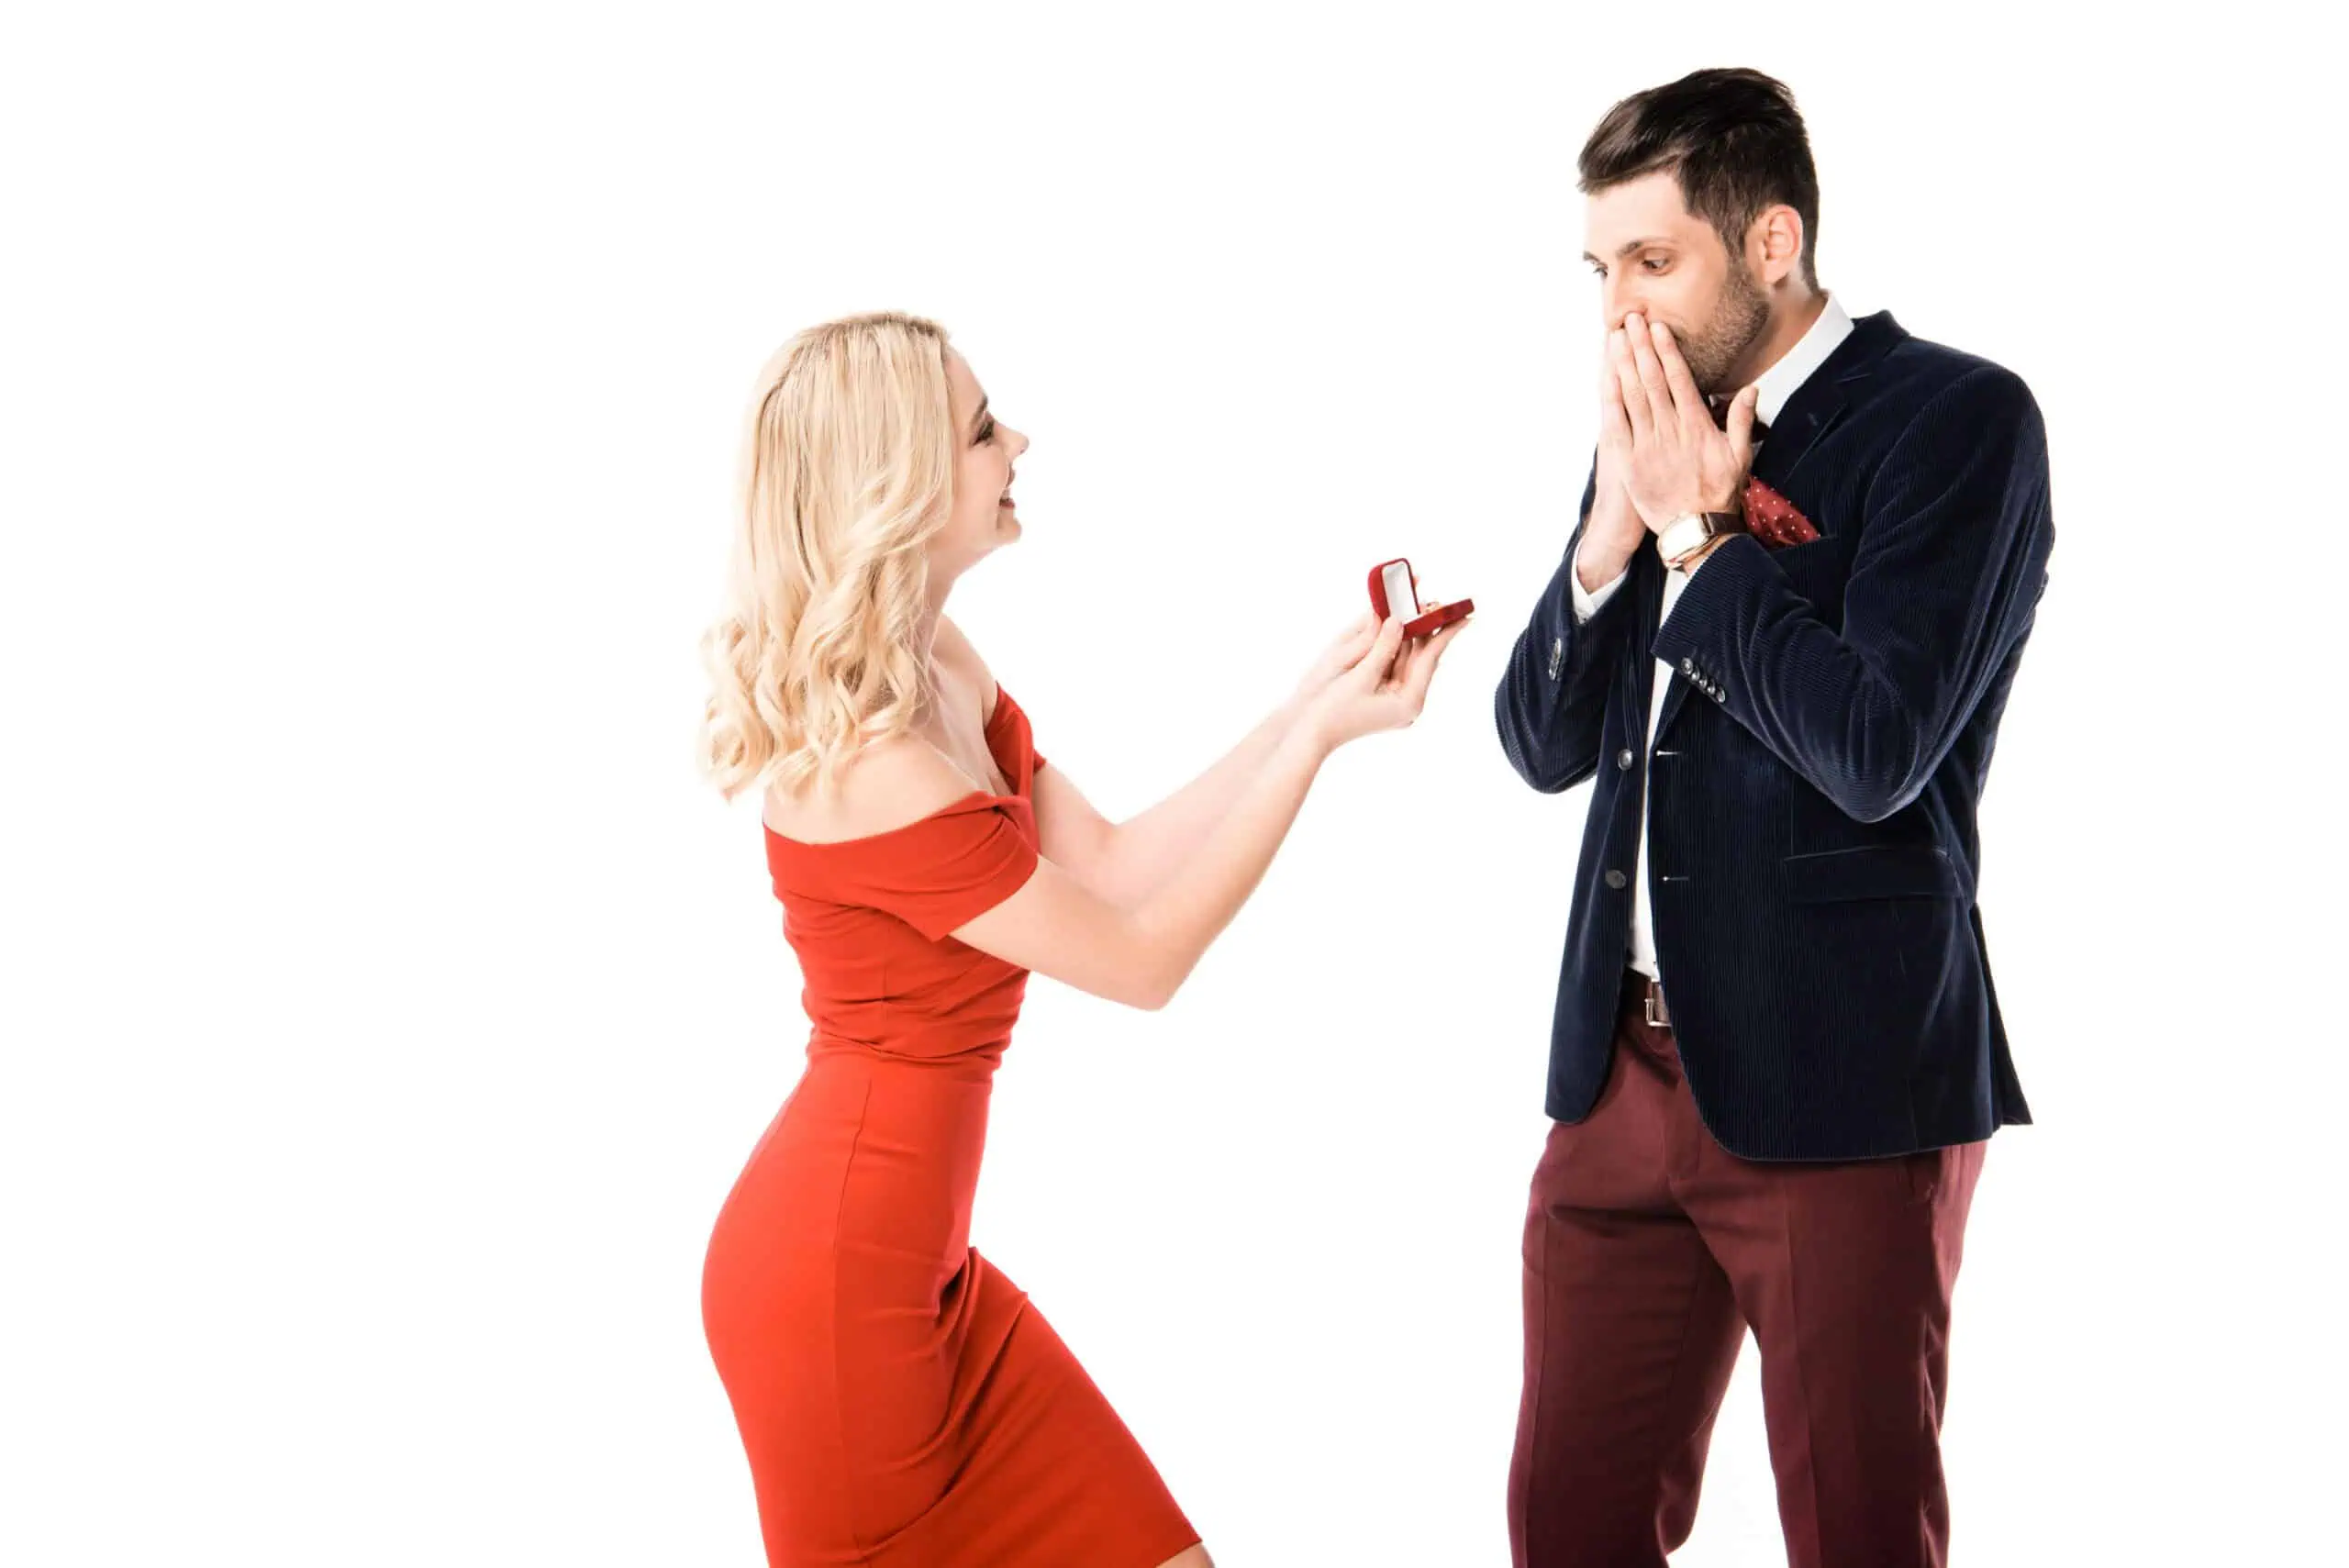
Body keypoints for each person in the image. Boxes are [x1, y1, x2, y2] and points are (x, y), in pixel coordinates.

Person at [697, 311, 1464, 1567]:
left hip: (927, 1277)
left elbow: (1105, 861)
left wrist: (1306, 714)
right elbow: (1141, 958)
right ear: (899, 480)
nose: (1020, 443)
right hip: (834, 1295)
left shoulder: (934, 663)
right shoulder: (873, 765)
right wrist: (1315, 750)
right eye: (984, 428)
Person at [1494, 70, 2054, 1568]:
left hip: (1844, 1084)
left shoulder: (1961, 421)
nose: (1617, 307)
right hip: (1617, 1077)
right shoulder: (1649, 432)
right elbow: (1541, 742)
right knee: (1564, 1529)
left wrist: (1697, 533)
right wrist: (1617, 535)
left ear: (1770, 243)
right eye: (1599, 267)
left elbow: (1875, 752)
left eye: (1651, 261)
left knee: (1859, 1537)